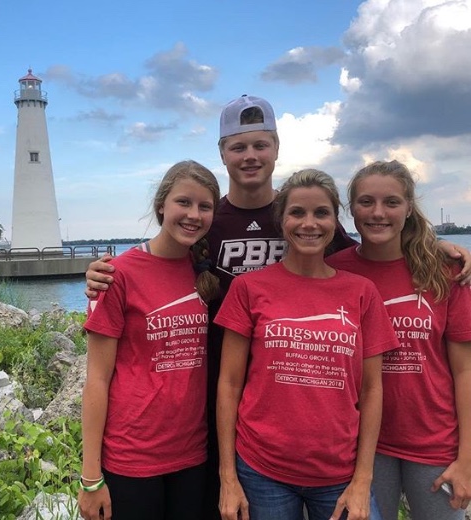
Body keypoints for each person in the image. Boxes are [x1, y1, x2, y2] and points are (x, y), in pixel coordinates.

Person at [84, 96, 471, 519]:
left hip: (301, 418)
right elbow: (161, 263)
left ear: (276, 148)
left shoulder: (303, 219)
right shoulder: (209, 222)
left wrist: (434, 248)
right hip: (219, 398)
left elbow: (375, 246)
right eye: (238, 146)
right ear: (223, 154)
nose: (250, 156)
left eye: (260, 145)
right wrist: (107, 271)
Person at [214, 169, 397, 520]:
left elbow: (372, 389)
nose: (309, 223)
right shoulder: (249, 289)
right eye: (297, 212)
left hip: (339, 472)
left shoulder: (361, 292)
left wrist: (363, 478)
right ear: (281, 221)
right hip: (261, 469)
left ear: (335, 220)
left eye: (321, 213)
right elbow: (230, 384)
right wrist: (228, 477)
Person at [326, 160, 471, 520]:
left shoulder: (445, 270)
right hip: (361, 443)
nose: (378, 213)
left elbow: (465, 370)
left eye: (391, 202)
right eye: (366, 202)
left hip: (434, 440)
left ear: (408, 207)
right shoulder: (333, 270)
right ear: (351, 210)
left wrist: (467, 457)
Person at [78, 160, 221, 520]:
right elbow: (96, 379)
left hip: (192, 454)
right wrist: (90, 477)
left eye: (205, 206)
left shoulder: (205, 273)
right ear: (162, 205)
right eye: (183, 203)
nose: (194, 214)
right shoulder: (117, 274)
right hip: (131, 457)